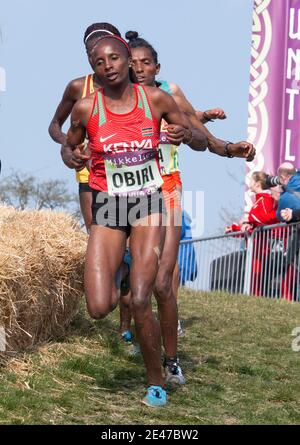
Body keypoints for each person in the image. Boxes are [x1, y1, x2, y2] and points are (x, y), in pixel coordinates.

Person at [65, 31, 208, 407]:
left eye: (113, 58)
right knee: (98, 307)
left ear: (127, 59)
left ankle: (156, 382)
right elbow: (69, 144)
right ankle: (122, 271)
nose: (107, 66)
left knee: (143, 298)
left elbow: (192, 134)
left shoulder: (157, 98)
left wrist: (181, 132)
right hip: (110, 206)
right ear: (92, 70)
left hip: (149, 204)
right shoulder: (86, 107)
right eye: (99, 62)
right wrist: (73, 157)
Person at [118, 31, 255, 384]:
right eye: (133, 64)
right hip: (130, 195)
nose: (140, 69)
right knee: (138, 285)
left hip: (169, 190)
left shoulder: (170, 94)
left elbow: (198, 135)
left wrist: (226, 148)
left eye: (146, 63)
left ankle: (173, 359)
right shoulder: (114, 101)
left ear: (157, 66)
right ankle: (136, 338)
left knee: (165, 283)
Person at [49, 23, 123, 231]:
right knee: (96, 232)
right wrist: (68, 146)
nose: (97, 56)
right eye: (90, 52)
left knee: (132, 244)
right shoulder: (78, 87)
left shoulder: (140, 87)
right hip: (89, 172)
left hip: (129, 169)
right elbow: (55, 125)